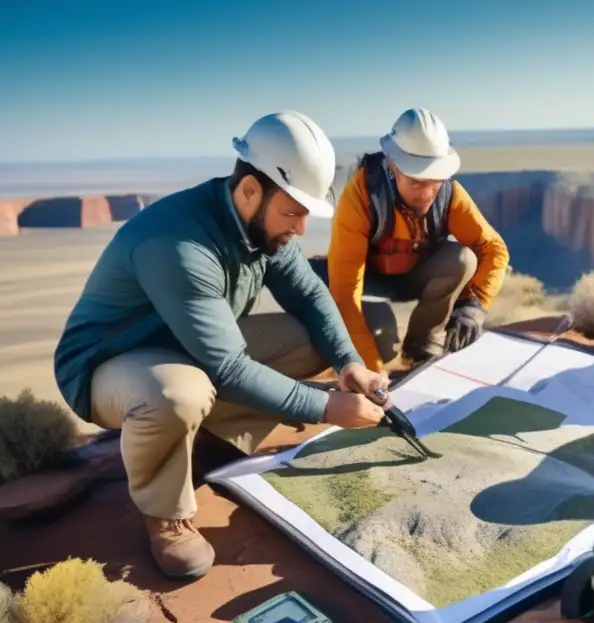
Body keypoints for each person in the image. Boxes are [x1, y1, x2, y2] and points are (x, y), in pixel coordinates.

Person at [53, 111, 391, 579]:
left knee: (309, 343)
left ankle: (211, 437)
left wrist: (349, 364)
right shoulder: (178, 244)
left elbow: (310, 295)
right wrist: (327, 408)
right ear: (251, 190)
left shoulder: (258, 223)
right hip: (111, 363)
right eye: (292, 212)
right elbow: (229, 368)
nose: (299, 228)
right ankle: (165, 513)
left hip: (192, 344)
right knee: (177, 395)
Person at [325, 107, 510, 372]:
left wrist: (474, 304)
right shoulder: (361, 195)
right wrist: (372, 372)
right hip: (368, 281)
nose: (426, 193)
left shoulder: (450, 194)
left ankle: (422, 348)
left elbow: (494, 249)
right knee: (380, 341)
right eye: (416, 181)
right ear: (391, 165)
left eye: (434, 181)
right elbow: (345, 290)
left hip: (414, 277)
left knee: (461, 259)